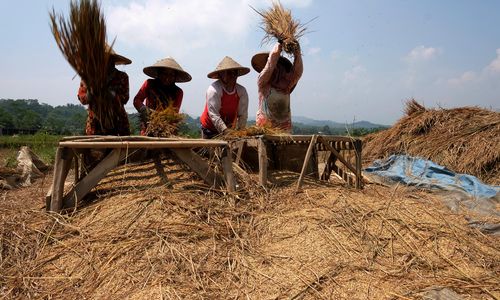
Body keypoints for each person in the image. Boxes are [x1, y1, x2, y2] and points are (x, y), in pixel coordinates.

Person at [77, 47, 132, 136]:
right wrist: (90, 92)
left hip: (118, 124)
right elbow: (83, 99)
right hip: (95, 125)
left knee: (119, 149)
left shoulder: (122, 77)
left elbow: (125, 98)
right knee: (96, 149)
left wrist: (111, 93)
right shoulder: (88, 78)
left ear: (112, 61)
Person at [251, 41, 303, 133]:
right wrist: (279, 44)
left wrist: (297, 52)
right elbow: (269, 67)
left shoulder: (287, 85)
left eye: (279, 65)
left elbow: (297, 72)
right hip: (265, 130)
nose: (276, 68)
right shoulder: (263, 83)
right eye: (275, 64)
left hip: (284, 131)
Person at [133, 57, 192, 135]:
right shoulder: (149, 84)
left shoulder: (178, 92)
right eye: (165, 74)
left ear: (175, 77)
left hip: (167, 130)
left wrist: (160, 117)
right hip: (148, 127)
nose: (167, 78)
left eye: (171, 75)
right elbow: (137, 100)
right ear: (159, 73)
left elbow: (173, 113)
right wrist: (144, 110)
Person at [200, 56, 250, 139]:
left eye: (235, 72)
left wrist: (240, 133)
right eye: (229, 73)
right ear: (221, 75)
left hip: (229, 128)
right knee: (208, 151)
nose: (232, 76)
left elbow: (243, 115)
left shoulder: (241, 91)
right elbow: (214, 115)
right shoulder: (214, 90)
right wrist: (226, 131)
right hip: (209, 128)